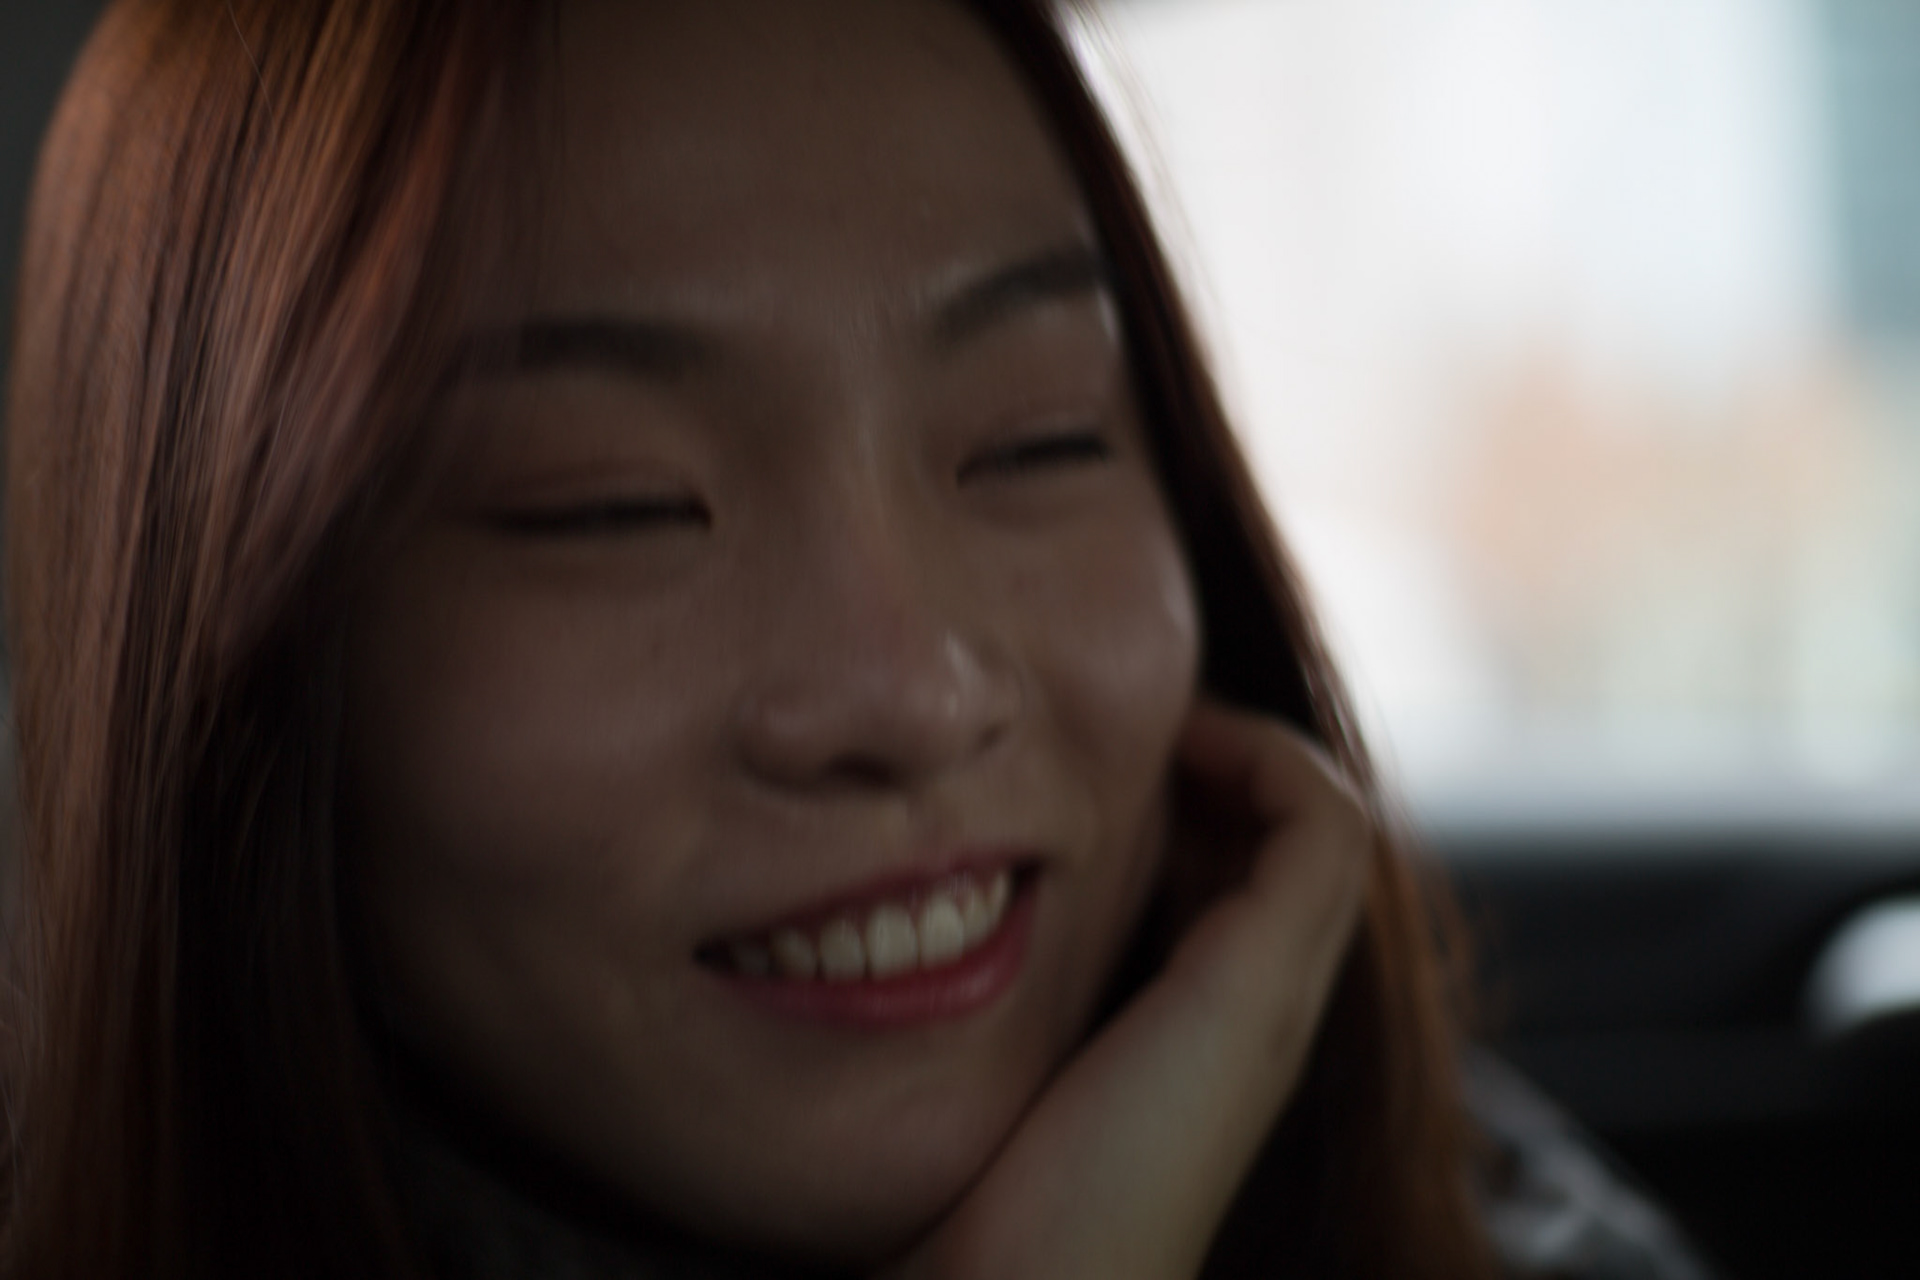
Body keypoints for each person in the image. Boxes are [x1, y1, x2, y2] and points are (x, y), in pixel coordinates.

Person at [0, 1, 1711, 1277]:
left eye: (1036, 440)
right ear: (245, 670)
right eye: (610, 503)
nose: (914, 689)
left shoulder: (1498, 1229)